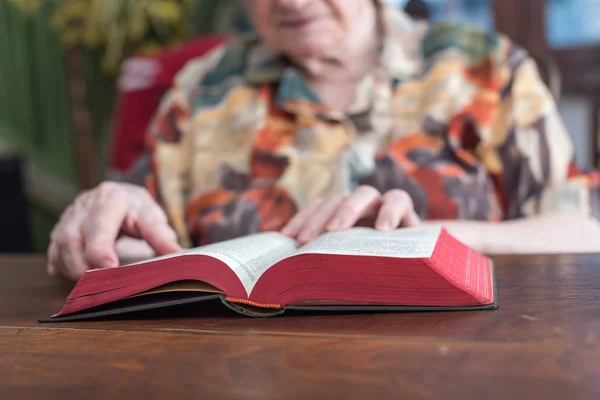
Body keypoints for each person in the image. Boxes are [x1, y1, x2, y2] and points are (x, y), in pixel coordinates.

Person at [47, 0, 600, 281]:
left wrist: (418, 240)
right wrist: (106, 224)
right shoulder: (203, 86)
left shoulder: (487, 66)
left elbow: (583, 227)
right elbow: (147, 245)